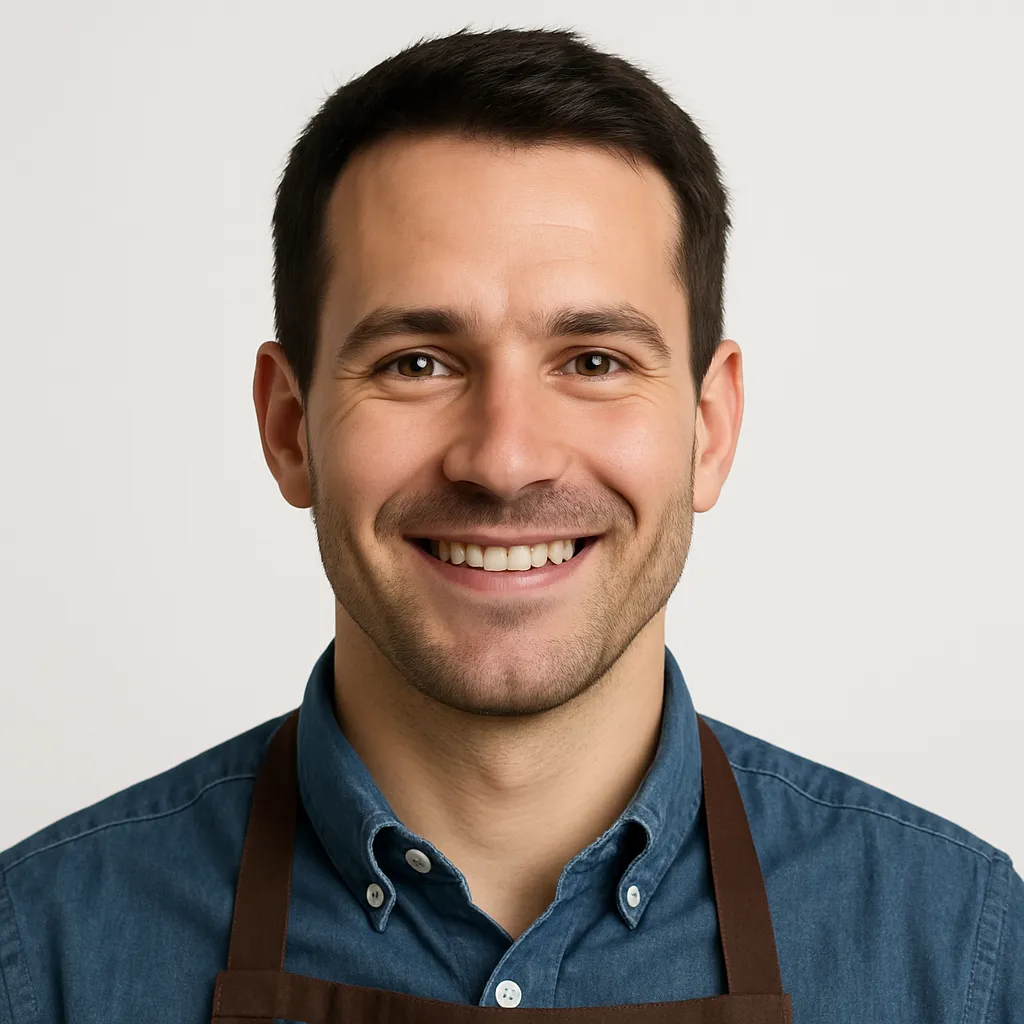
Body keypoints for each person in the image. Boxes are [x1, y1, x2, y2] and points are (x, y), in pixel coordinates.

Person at [1, 25, 1020, 1024]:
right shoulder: (39, 955)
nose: (504, 458)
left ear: (709, 430)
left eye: (592, 360)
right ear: (289, 427)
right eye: (416, 362)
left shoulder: (956, 949)